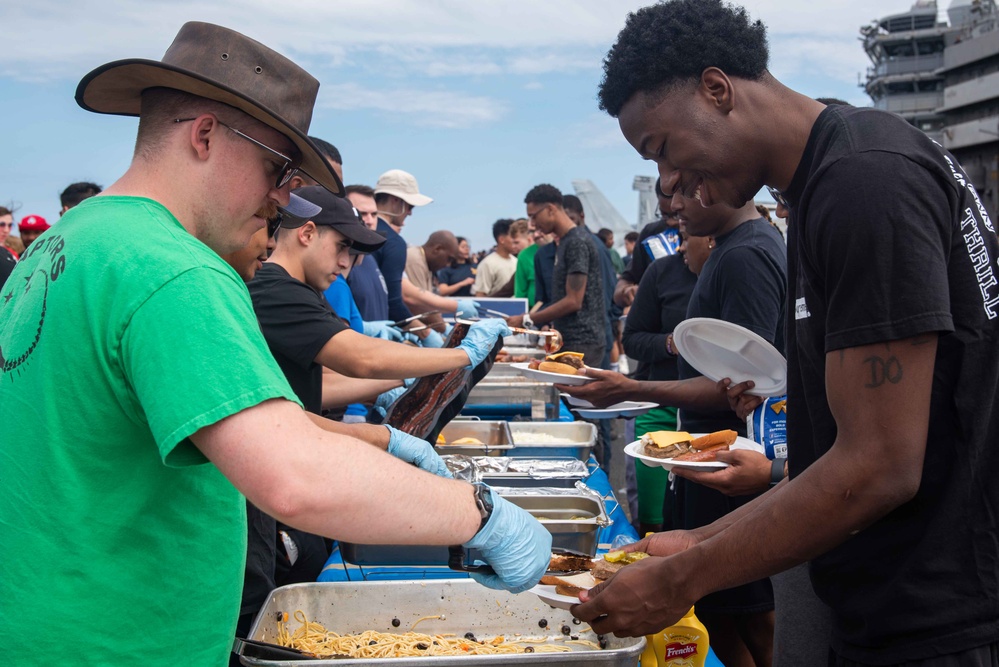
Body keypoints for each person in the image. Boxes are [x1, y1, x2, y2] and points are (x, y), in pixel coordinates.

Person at [0, 23, 551, 666]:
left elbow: (245, 429)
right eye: (278, 169)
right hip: (121, 642)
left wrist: (388, 445)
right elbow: (293, 479)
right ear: (204, 136)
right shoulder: (175, 269)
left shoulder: (68, 243)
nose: (284, 199)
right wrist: (478, 513)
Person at [570, 3, 999, 667]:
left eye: (663, 150)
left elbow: (879, 464)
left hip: (939, 615)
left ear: (716, 90)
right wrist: (700, 540)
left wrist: (686, 578)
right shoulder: (829, 182)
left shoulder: (865, 183)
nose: (670, 184)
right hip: (894, 597)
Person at [570, 190, 787, 667]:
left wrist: (633, 387)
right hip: (710, 460)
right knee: (720, 611)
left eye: (679, 188)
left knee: (750, 611)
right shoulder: (731, 251)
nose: (673, 218)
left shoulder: (746, 255)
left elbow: (743, 387)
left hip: (736, 462)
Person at [620, 225, 698, 537]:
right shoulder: (661, 271)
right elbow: (633, 339)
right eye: (680, 237)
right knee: (652, 523)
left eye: (688, 236)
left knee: (702, 524)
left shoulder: (739, 264)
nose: (680, 247)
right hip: (660, 406)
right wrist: (671, 343)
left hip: (715, 417)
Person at [510, 184, 606, 369]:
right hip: (570, 338)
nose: (532, 224)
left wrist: (527, 319)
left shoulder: (576, 242)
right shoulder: (565, 243)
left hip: (582, 342)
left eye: (533, 216)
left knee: (576, 398)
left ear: (550, 209)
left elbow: (573, 301)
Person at [371, 169, 431, 323]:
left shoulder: (354, 229)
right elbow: (394, 303)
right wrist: (425, 334)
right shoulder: (394, 242)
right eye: (410, 206)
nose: (410, 213)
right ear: (396, 200)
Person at [403, 230, 478, 323]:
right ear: (437, 249)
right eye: (449, 258)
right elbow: (420, 304)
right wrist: (444, 327)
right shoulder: (415, 261)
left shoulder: (427, 263)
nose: (447, 264)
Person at [343, 184, 390, 322]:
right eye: (363, 214)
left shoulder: (368, 258)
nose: (370, 221)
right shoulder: (341, 264)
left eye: (374, 214)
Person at [472, 218, 525, 297]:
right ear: (502, 239)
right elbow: (480, 295)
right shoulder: (487, 264)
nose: (515, 241)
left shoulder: (517, 261)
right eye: (512, 237)